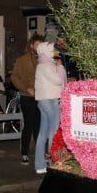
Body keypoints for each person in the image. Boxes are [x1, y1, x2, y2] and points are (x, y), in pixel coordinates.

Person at [11, 34, 44, 166]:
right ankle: (24, 153)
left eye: (41, 45)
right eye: (37, 44)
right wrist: (26, 88)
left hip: (41, 97)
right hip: (27, 97)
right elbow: (14, 77)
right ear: (31, 46)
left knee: (39, 126)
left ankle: (39, 154)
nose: (39, 47)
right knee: (29, 125)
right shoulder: (22, 60)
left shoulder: (45, 59)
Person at [34, 41, 66, 175]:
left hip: (43, 101)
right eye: (52, 50)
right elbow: (58, 81)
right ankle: (54, 162)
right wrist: (60, 67)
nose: (55, 53)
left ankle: (40, 165)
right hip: (51, 100)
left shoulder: (42, 65)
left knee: (43, 134)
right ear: (47, 51)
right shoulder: (47, 66)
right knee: (54, 131)